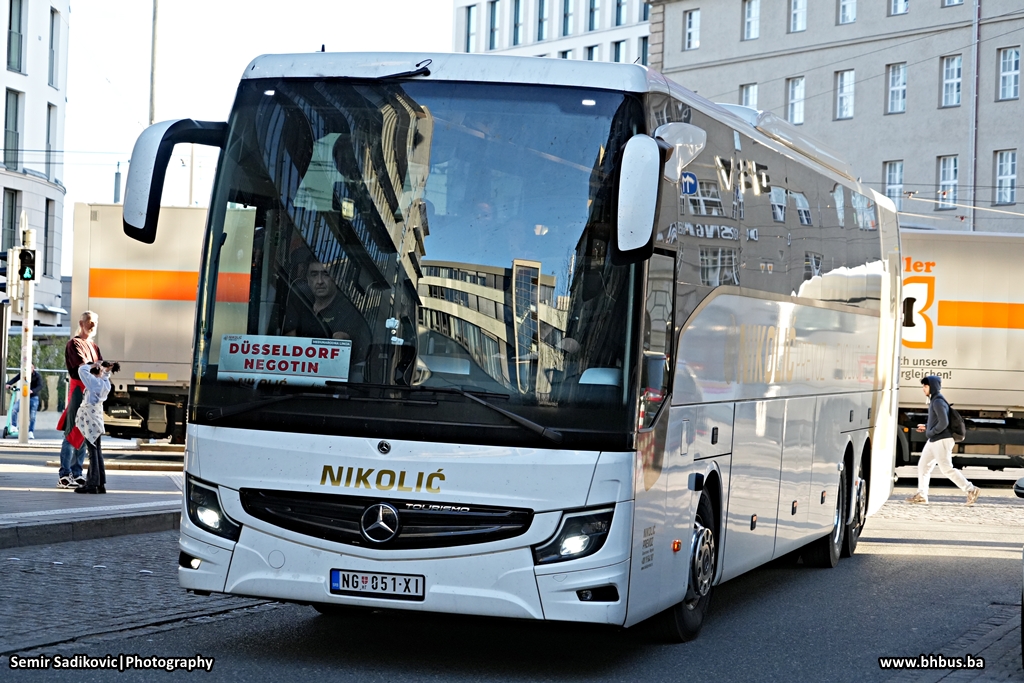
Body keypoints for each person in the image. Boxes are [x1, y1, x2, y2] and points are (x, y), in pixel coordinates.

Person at [906, 375, 980, 505]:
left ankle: (971, 489)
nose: (923, 389)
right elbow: (938, 421)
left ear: (932, 387)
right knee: (923, 466)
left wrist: (931, 431)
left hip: (942, 439)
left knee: (946, 468)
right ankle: (922, 495)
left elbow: (944, 422)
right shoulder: (935, 400)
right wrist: (927, 427)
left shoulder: (938, 402)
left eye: (926, 386)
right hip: (934, 439)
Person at [283, 259, 370, 365]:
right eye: (314, 275)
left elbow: (337, 347)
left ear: (335, 278)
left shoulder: (347, 309)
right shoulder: (301, 301)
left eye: (326, 274)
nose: (320, 281)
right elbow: (289, 341)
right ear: (308, 280)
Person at [57, 311, 103, 489]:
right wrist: (96, 369)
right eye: (90, 322)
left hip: (91, 392)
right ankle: (64, 474)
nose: (93, 325)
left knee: (85, 431)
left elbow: (99, 368)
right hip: (78, 390)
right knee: (72, 430)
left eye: (95, 322)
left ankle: (77, 473)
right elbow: (84, 367)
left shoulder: (94, 346)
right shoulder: (74, 344)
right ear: (81, 323)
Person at [74, 361, 117, 494]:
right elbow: (105, 376)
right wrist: (105, 370)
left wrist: (91, 366)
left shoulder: (93, 383)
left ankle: (92, 484)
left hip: (90, 421)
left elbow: (82, 371)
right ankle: (100, 484)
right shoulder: (105, 384)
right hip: (97, 420)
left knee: (92, 452)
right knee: (97, 451)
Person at [6, 365, 43, 438]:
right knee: (14, 410)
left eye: (30, 367)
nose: (29, 369)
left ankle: (30, 432)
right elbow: (15, 379)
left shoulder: (37, 376)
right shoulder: (23, 374)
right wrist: (8, 384)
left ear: (33, 368)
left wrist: (32, 391)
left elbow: (40, 386)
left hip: (33, 397)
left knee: (32, 416)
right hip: (24, 397)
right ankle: (14, 426)